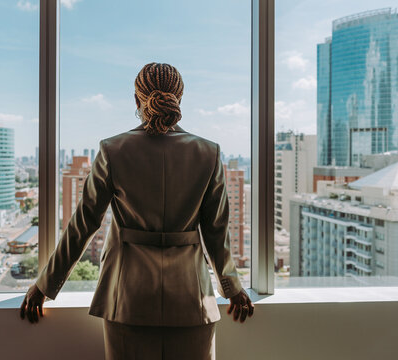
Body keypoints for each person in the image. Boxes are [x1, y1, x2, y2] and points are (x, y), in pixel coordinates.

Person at [20, 62, 254, 359]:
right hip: (191, 297)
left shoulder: (112, 149)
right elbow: (215, 231)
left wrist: (44, 285)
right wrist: (232, 287)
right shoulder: (208, 152)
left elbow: (84, 224)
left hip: (126, 297)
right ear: (180, 98)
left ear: (136, 99)